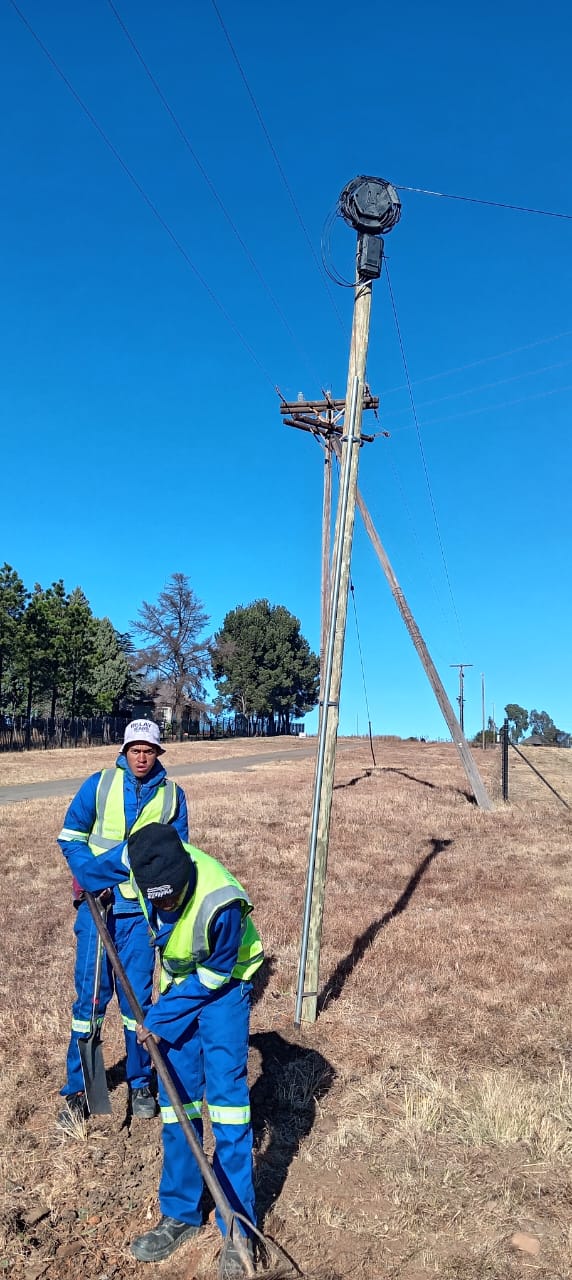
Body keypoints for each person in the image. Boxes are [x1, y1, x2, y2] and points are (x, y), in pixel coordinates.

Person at [91, 820, 264, 1268]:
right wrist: (84, 880)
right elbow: (93, 867)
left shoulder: (221, 902)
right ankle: (181, 1213)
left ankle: (238, 1227)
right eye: (158, 899)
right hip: (178, 984)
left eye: (172, 897)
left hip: (224, 987)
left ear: (185, 870)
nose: (165, 905)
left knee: (227, 1106)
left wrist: (158, 1018)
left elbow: (211, 979)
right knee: (177, 1104)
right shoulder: (138, 861)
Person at [57, 719, 188, 1130]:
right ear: (124, 751)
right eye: (135, 750)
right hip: (97, 910)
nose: (141, 757)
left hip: (139, 915)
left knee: (138, 1006)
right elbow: (70, 836)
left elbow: (178, 854)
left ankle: (140, 1083)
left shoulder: (172, 795)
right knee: (89, 1004)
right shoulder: (99, 785)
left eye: (149, 750)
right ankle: (81, 1090)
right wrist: (90, 876)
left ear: (158, 753)